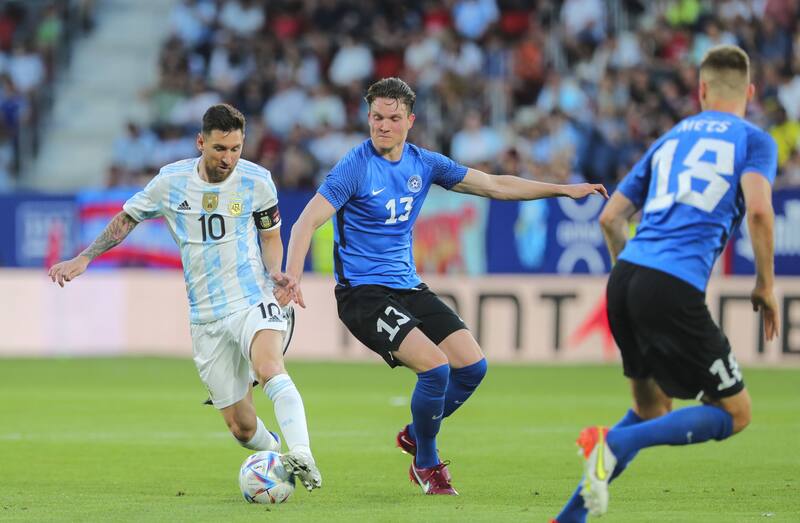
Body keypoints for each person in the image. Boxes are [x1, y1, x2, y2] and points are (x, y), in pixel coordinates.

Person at [274, 77, 607, 495]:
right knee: (435, 368)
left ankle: (416, 432)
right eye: (377, 117)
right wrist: (294, 274)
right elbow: (307, 220)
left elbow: (495, 184)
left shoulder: (424, 163)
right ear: (368, 117)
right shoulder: (354, 166)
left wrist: (560, 189)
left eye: (393, 118)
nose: (383, 126)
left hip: (408, 286)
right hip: (363, 293)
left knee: (473, 367)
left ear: (410, 121)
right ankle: (426, 464)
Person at [552, 44, 778, 522]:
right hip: (671, 285)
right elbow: (759, 210)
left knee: (652, 408)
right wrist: (765, 284)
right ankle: (612, 442)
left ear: (700, 91)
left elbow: (611, 217)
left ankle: (568, 518)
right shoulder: (755, 140)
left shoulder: (671, 138)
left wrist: (629, 282)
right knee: (736, 412)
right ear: (750, 93)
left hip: (626, 276)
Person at [48, 104, 322, 492]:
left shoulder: (257, 181)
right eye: (219, 149)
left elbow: (270, 236)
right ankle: (277, 455)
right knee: (242, 428)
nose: (228, 159)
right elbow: (128, 218)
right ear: (200, 142)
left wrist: (276, 271)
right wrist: (85, 256)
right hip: (206, 315)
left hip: (251, 297)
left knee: (268, 365)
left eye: (236, 149)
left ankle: (303, 452)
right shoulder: (171, 182)